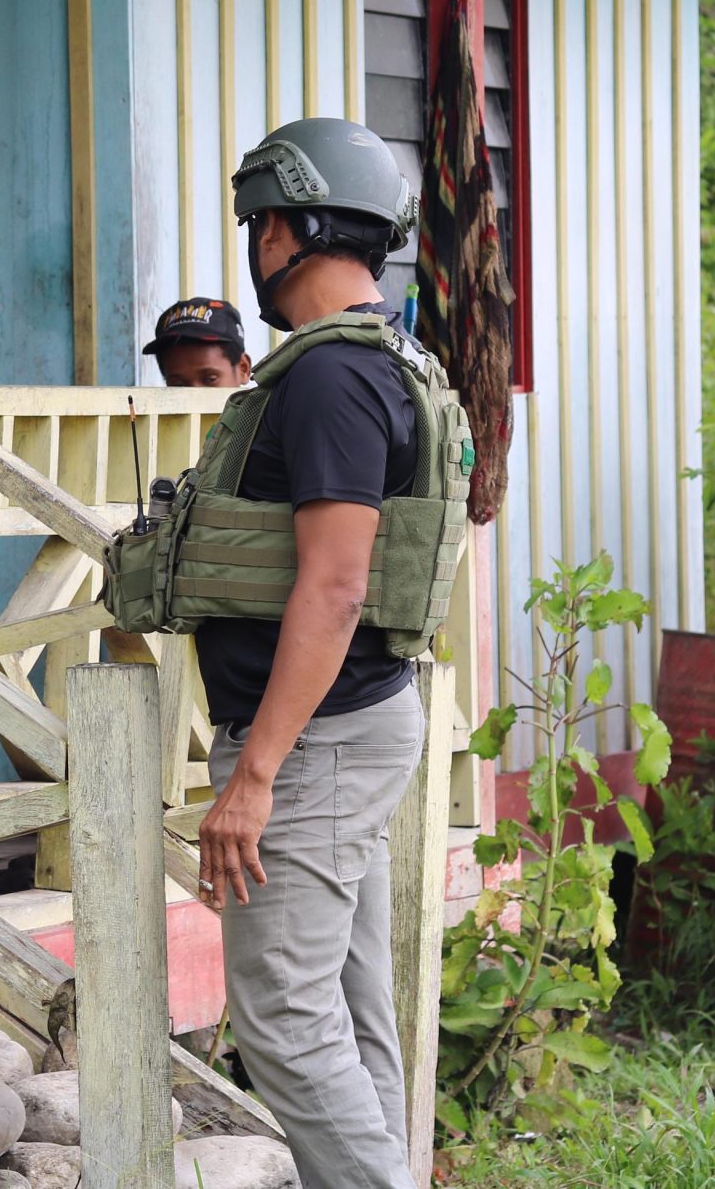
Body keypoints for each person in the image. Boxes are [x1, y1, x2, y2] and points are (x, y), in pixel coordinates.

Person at [196, 117, 433, 1189]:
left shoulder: (331, 380)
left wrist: (255, 776)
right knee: (343, 999)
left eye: (258, 223)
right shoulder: (384, 360)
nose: (254, 245)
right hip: (353, 725)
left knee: (285, 1017)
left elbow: (335, 587)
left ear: (287, 228)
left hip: (316, 740)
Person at [142, 296, 253, 388]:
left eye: (210, 379)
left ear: (243, 369)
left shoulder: (266, 413)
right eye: (178, 385)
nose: (194, 395)